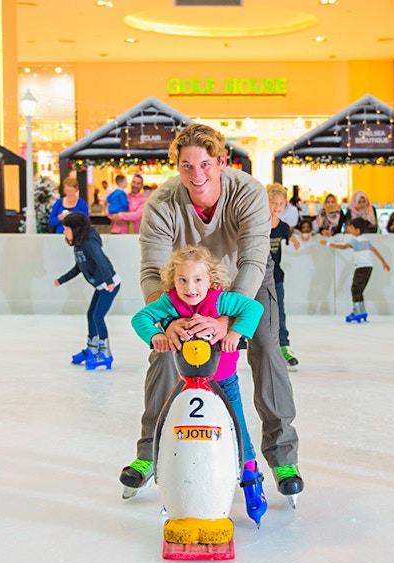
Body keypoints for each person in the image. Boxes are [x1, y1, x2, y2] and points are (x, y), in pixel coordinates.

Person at [125, 123, 304, 500]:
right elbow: (152, 270)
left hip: (246, 280)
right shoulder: (163, 202)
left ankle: (283, 456)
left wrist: (228, 321)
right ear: (177, 166)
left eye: (205, 164)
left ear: (221, 161)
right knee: (165, 351)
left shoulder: (248, 193)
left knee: (268, 350)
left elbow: (255, 259)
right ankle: (147, 454)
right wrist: (170, 322)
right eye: (187, 166)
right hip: (188, 284)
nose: (197, 175)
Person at [129, 245, 264, 476]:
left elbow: (253, 308)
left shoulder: (220, 300)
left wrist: (234, 332)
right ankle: (173, 470)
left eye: (197, 280)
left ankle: (250, 473)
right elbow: (140, 318)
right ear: (173, 280)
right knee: (177, 422)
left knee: (237, 424)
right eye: (182, 280)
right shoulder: (169, 302)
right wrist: (156, 335)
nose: (190, 288)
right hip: (186, 381)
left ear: (210, 279)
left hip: (224, 379)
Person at [55, 212, 120, 370]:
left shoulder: (89, 244)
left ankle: (105, 353)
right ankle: (92, 349)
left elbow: (102, 261)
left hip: (109, 284)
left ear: (75, 229)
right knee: (91, 314)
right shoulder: (79, 246)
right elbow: (79, 267)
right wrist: (62, 279)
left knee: (98, 316)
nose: (64, 232)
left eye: (66, 228)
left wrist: (109, 281)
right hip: (101, 285)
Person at [322, 216, 392, 323]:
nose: (349, 228)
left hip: (361, 267)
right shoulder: (366, 240)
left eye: (351, 227)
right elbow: (375, 251)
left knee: (355, 289)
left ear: (357, 230)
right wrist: (383, 262)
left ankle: (357, 311)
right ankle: (362, 310)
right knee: (359, 290)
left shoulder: (355, 240)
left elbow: (343, 247)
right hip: (369, 267)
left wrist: (327, 244)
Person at [267, 183, 302, 369]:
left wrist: (294, 238)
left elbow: (289, 235)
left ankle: (283, 346)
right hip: (257, 278)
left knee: (279, 313)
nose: (277, 207)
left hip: (277, 277)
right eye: (274, 202)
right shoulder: (259, 224)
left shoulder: (283, 227)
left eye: (281, 203)